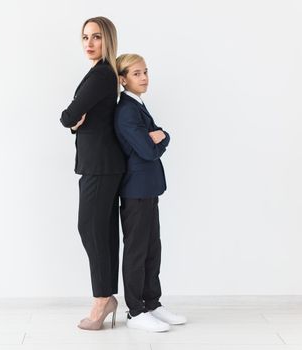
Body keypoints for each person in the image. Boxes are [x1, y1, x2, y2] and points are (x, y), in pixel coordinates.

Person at [60, 16, 126, 330]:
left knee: (91, 229)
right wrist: (76, 121)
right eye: (85, 37)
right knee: (102, 231)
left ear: (108, 40)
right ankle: (106, 296)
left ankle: (102, 299)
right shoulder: (100, 73)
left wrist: (73, 119)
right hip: (102, 164)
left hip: (100, 166)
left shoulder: (101, 75)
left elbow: (68, 115)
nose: (89, 43)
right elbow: (76, 118)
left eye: (96, 37)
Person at [114, 53, 187, 332]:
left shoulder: (138, 105)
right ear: (122, 79)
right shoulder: (127, 110)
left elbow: (158, 137)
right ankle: (135, 311)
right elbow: (147, 149)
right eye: (136, 73)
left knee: (151, 248)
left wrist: (161, 136)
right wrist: (159, 139)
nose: (144, 78)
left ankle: (152, 303)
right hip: (135, 190)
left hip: (147, 188)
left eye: (145, 72)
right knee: (136, 250)